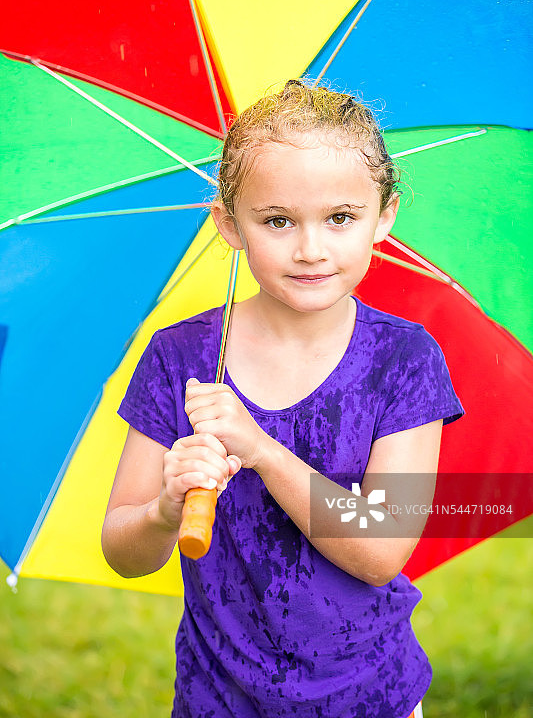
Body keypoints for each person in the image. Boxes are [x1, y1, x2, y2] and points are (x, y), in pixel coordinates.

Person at [102, 79, 464, 718]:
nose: (310, 249)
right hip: (219, 698)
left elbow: (381, 552)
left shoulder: (403, 361)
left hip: (369, 697)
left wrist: (263, 450)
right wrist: (164, 507)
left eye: (340, 218)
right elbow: (124, 551)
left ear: (384, 216)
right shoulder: (182, 358)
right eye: (276, 221)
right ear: (228, 225)